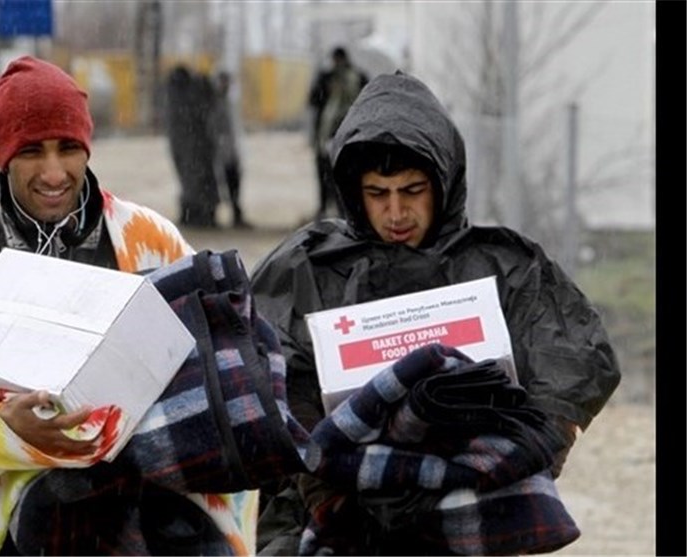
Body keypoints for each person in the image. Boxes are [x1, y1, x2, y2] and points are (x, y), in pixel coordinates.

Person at [0, 55, 256, 556]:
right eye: (31, 151)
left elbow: (207, 370)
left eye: (68, 148)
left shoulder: (148, 238)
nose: (54, 172)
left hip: (142, 507)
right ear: (3, 155)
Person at [251, 71, 621, 554]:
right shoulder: (308, 265)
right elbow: (273, 382)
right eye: (378, 194)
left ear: (443, 183)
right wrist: (327, 492)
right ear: (354, 191)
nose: (396, 213)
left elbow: (570, 370)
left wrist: (501, 469)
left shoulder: (503, 266)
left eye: (412, 190)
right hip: (334, 505)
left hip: (471, 501)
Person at [307, 46, 368, 221]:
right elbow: (313, 101)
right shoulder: (332, 78)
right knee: (334, 175)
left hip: (340, 135)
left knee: (335, 175)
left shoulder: (353, 77)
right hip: (340, 135)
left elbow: (313, 101)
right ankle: (334, 210)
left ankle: (338, 211)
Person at [164, 65, 221, 228]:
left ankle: (193, 214)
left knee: (191, 181)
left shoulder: (174, 97)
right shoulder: (190, 99)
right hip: (194, 146)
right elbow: (205, 109)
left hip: (185, 145)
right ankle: (201, 215)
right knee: (198, 180)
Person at [210, 70, 252, 229]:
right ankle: (233, 215)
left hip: (231, 151)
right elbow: (216, 129)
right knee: (228, 185)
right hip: (223, 153)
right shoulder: (216, 104)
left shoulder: (229, 102)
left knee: (234, 184)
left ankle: (236, 214)